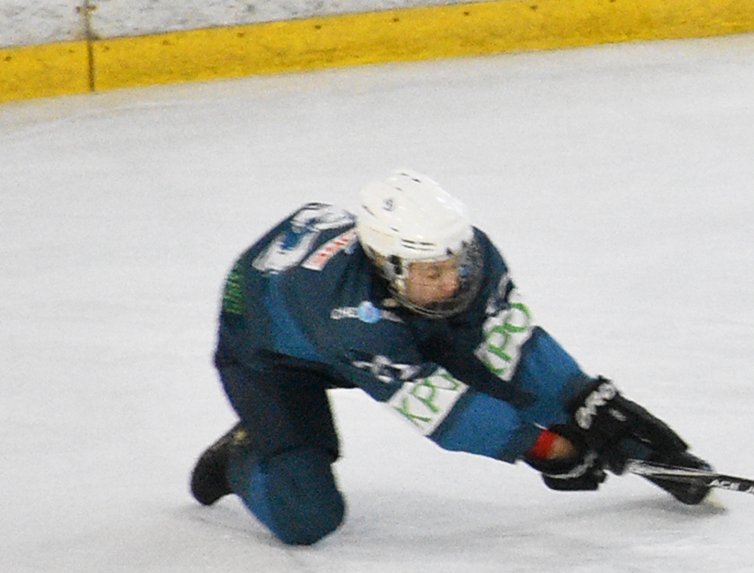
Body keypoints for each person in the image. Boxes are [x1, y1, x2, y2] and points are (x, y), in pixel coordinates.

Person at [190, 170, 712, 545]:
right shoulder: (345, 313)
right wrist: (547, 448)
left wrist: (595, 407)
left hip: (382, 325)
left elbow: (514, 350)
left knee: (488, 360)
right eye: (432, 273)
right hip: (268, 353)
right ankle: (245, 452)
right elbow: (445, 411)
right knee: (308, 517)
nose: (453, 280)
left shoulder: (462, 258)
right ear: (386, 265)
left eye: (454, 264)